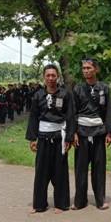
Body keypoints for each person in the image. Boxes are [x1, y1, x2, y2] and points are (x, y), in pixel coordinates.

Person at [26, 64, 75, 214]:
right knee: (41, 171)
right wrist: (32, 139)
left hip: (59, 136)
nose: (51, 78)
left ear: (58, 77)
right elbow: (33, 117)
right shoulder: (38, 95)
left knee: (60, 171)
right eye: (48, 75)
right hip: (42, 137)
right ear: (44, 77)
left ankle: (61, 203)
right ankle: (39, 204)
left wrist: (69, 138)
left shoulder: (65, 95)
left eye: (53, 75)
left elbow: (70, 117)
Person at [71, 58, 111, 210]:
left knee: (99, 167)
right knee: (80, 168)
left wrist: (109, 132)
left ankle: (100, 200)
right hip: (81, 132)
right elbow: (73, 112)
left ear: (96, 69)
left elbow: (109, 111)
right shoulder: (77, 88)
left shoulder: (104, 88)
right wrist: (73, 133)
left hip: (99, 133)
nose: (86, 71)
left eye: (89, 68)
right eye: (84, 68)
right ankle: (79, 201)